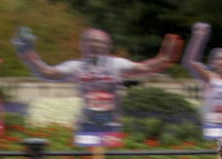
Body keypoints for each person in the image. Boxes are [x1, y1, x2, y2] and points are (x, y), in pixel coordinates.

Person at [12, 27, 182, 133]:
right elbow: (47, 73)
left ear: (107, 47)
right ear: (81, 45)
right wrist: (27, 54)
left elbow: (143, 68)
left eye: (98, 42)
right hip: (86, 122)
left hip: (111, 123)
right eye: (89, 41)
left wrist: (164, 57)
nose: (93, 45)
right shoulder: (76, 66)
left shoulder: (116, 64)